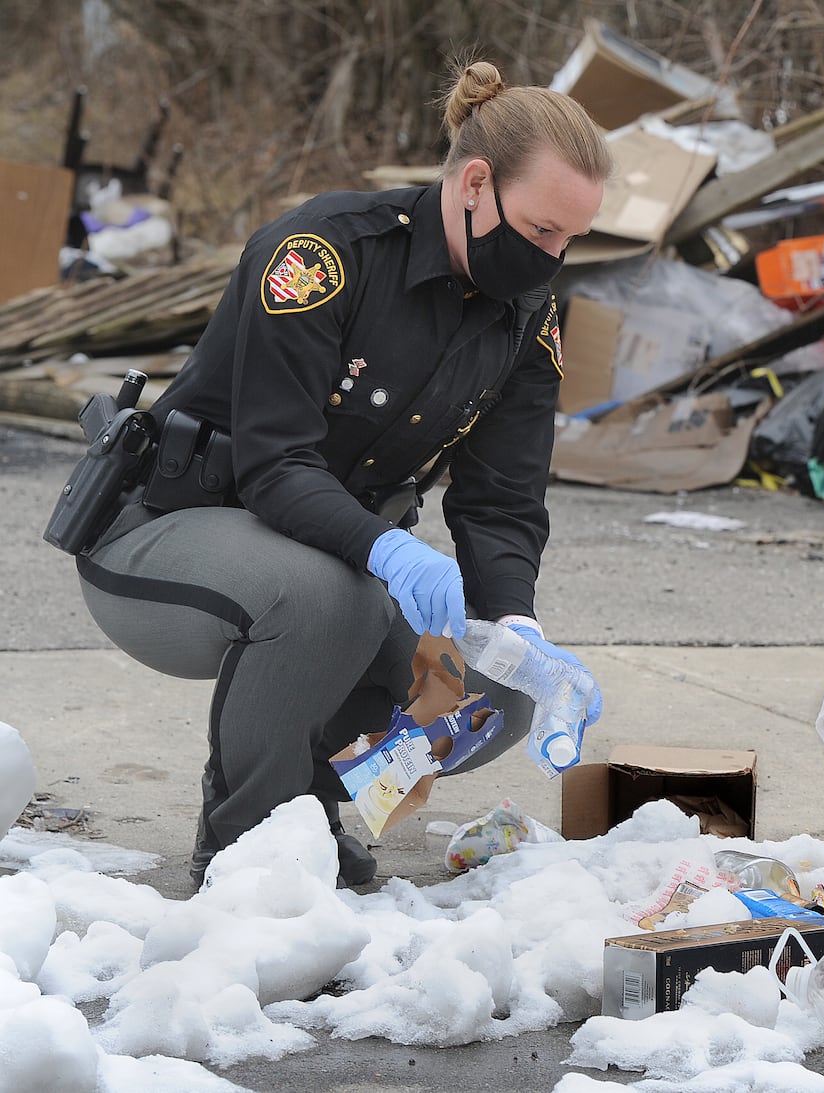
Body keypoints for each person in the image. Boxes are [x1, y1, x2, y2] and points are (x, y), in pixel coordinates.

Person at [69, 60, 612, 889]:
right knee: (333, 595)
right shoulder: (324, 255)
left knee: (496, 700)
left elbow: (501, 501)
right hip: (162, 539)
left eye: (570, 239)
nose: (553, 257)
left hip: (331, 560)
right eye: (542, 231)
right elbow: (275, 467)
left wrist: (518, 625)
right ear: (475, 183)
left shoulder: (525, 323)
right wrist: (389, 554)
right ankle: (248, 842)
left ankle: (320, 803)